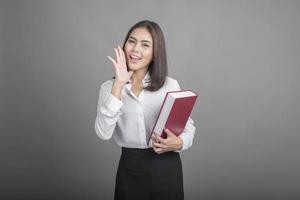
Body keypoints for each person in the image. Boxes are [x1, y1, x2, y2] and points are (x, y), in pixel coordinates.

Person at [95, 20, 196, 200]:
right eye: (131, 41)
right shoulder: (109, 88)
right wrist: (118, 85)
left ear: (155, 53)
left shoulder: (169, 85)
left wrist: (179, 143)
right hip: (130, 168)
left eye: (145, 45)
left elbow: (188, 127)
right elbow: (103, 133)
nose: (135, 49)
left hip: (166, 167)